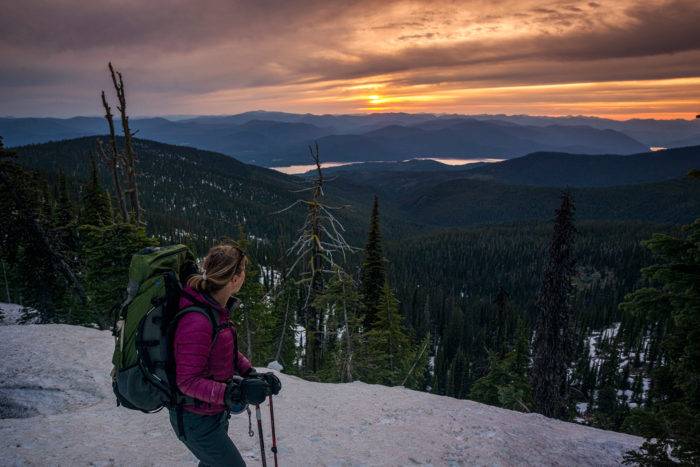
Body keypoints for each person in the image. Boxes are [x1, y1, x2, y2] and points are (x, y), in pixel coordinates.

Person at [169, 242, 282, 467]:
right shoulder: (198, 320)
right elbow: (186, 380)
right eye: (243, 271)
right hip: (195, 419)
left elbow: (223, 349)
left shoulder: (215, 308)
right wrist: (232, 391)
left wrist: (250, 374)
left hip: (212, 412)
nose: (245, 276)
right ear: (234, 279)